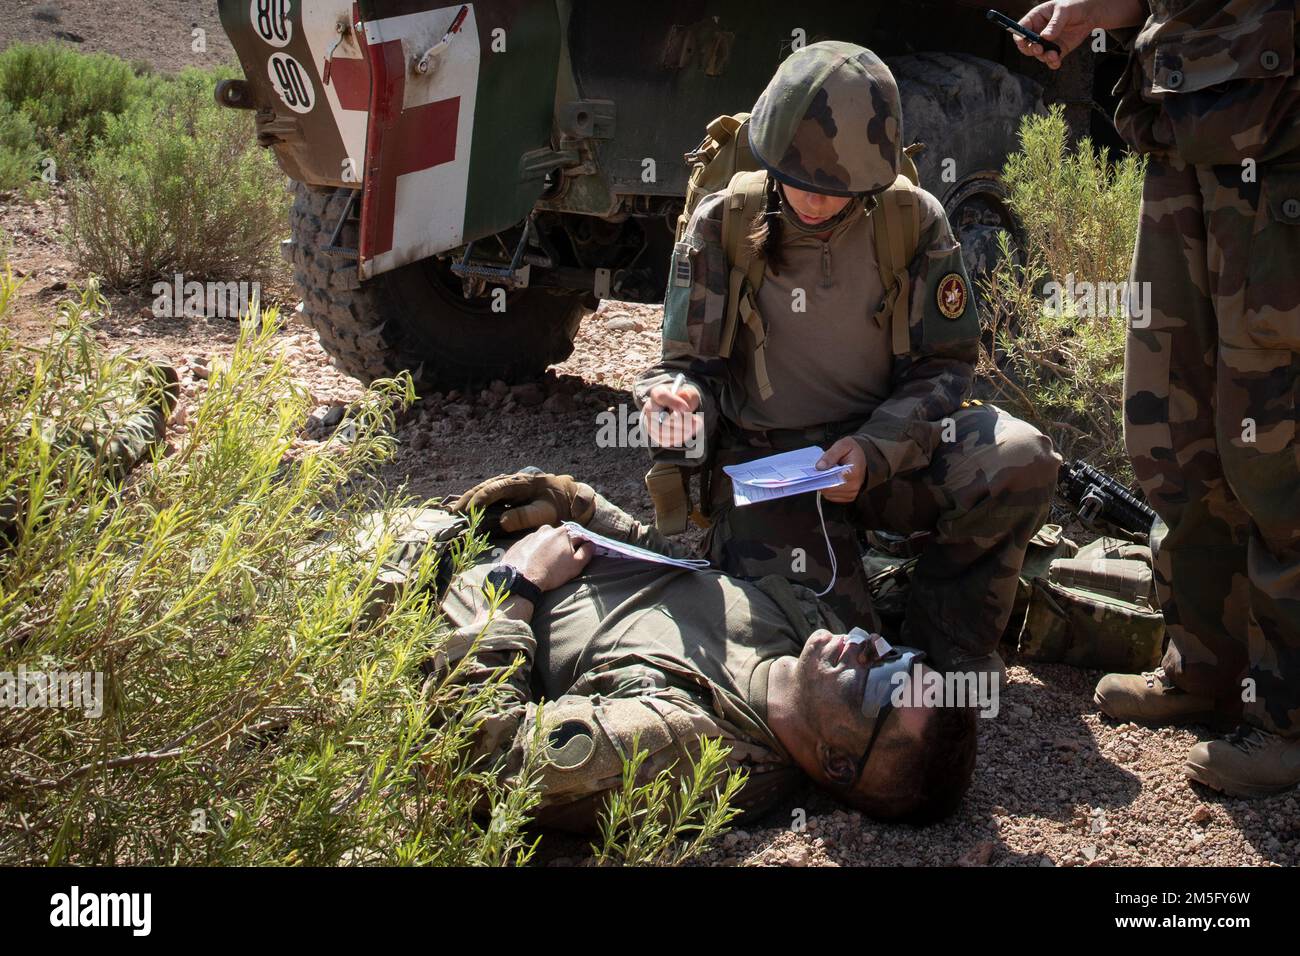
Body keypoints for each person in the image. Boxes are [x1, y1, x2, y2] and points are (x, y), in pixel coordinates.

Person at [633, 40, 1060, 677]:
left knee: (1019, 459)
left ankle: (949, 646)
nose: (811, 199)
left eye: (832, 189)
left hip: (881, 452)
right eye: (796, 180)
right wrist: (674, 404)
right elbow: (687, 368)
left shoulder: (913, 222)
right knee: (837, 659)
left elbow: (945, 366)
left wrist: (875, 449)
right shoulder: (724, 224)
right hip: (771, 467)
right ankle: (865, 607)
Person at [1014, 0, 1300, 798]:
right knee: (1173, 427)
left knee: (1276, 446)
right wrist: (1089, 12)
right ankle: (1207, 668)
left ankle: (1286, 716)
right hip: (1184, 129)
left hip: (1282, 144)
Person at [416, 471, 979, 832]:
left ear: (837, 761)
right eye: (897, 655)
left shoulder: (685, 742)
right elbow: (690, 580)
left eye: (879, 684)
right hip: (514, 546)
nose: (867, 648)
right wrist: (587, 512)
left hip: (430, 591)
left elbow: (485, 761)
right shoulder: (806, 633)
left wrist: (513, 588)